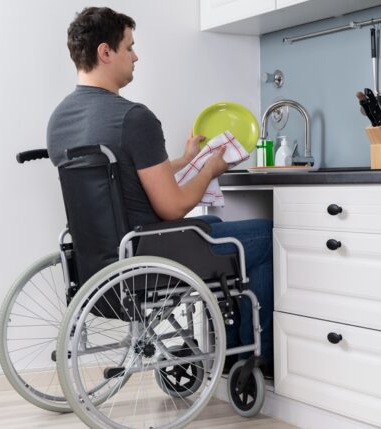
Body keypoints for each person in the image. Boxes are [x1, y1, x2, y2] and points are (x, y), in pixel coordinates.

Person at [46, 7, 273, 373]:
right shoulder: (133, 117)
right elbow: (173, 208)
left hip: (103, 260)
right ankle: (250, 360)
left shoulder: (60, 120)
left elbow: (123, 177)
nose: (136, 56)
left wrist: (186, 161)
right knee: (263, 235)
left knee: (215, 230)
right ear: (105, 52)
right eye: (129, 47)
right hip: (152, 256)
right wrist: (212, 167)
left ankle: (231, 356)